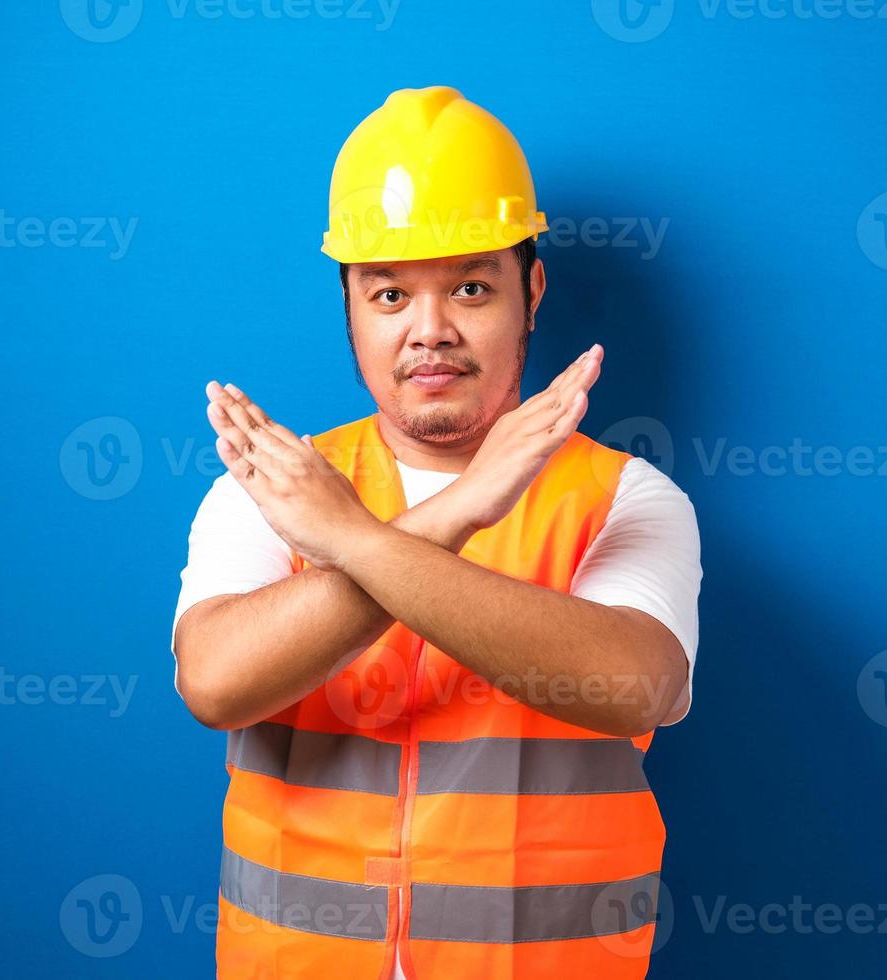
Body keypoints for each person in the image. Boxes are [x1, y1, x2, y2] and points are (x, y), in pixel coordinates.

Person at [171, 85, 702, 979]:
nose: (431, 332)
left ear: (530, 290)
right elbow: (216, 683)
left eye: (468, 286)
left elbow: (634, 687)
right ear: (348, 304)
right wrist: (455, 513)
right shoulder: (274, 488)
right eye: (388, 294)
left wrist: (365, 541)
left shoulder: (625, 497)